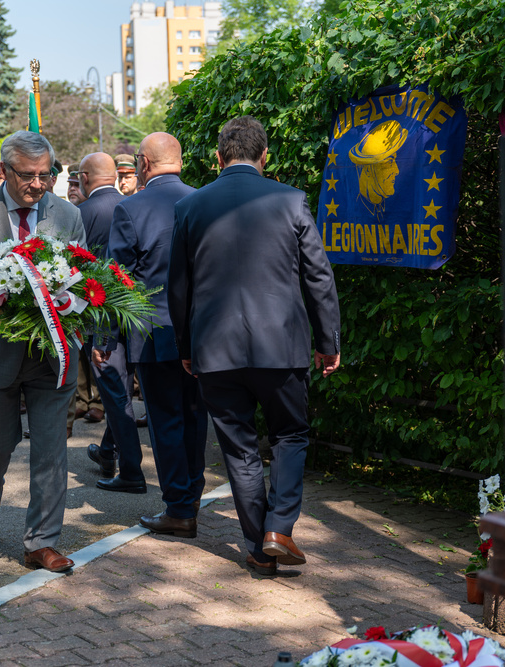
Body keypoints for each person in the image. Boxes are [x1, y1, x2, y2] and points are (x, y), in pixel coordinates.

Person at [168, 116, 341, 576]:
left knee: (239, 446)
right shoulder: (291, 200)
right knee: (290, 434)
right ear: (266, 156)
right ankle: (278, 528)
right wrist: (328, 340)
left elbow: (178, 288)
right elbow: (318, 277)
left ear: (218, 157)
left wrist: (186, 346)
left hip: (214, 348)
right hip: (280, 346)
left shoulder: (190, 206)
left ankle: (259, 550)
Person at [0, 131, 85, 573]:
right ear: (4, 171)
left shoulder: (69, 215)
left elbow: (85, 278)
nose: (37, 184)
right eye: (27, 175)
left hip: (52, 356)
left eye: (45, 175)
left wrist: (72, 300)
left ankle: (41, 542)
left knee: (51, 451)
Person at [98, 133, 211, 525]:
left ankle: (179, 506)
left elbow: (116, 279)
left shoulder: (131, 208)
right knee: (195, 418)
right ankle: (191, 496)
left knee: (165, 421)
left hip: (154, 331)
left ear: (144, 163)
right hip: (201, 331)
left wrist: (104, 337)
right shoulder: (204, 200)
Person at [71, 153, 142, 492]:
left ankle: (131, 471)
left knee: (115, 394)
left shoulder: (80, 213)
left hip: (100, 317)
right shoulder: (134, 205)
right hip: (136, 313)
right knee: (121, 390)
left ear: (84, 178)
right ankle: (108, 450)